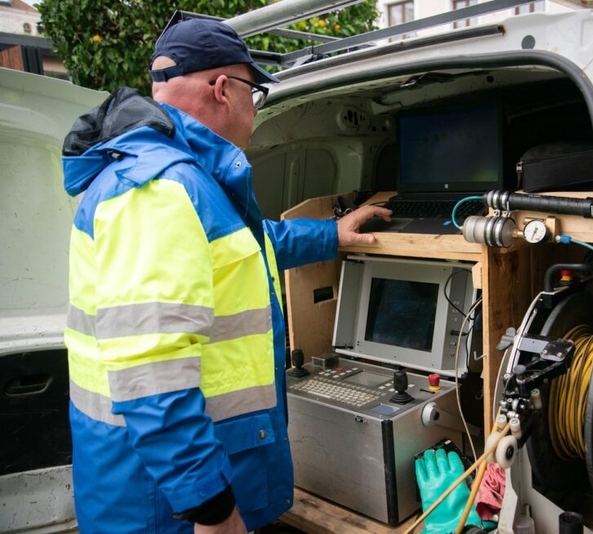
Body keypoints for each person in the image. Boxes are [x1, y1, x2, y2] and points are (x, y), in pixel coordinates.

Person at [61, 17, 391, 534]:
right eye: (254, 92)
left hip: (162, 486)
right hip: (163, 507)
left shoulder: (177, 177)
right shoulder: (160, 189)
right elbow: (153, 375)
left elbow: (246, 247)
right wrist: (213, 511)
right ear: (223, 89)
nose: (254, 109)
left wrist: (332, 234)